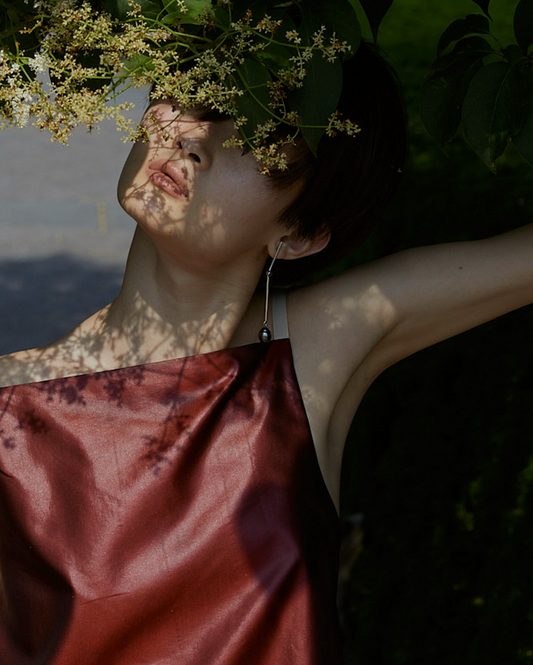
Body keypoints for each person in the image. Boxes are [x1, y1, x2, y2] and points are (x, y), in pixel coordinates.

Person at [0, 42, 531, 664]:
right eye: (202, 98)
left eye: (259, 138)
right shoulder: (12, 409)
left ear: (300, 233)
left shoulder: (315, 352)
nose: (195, 138)